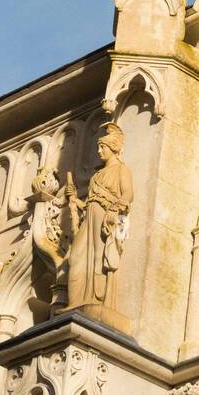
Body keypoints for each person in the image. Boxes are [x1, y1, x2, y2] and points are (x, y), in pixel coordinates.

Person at [65, 122, 133, 316]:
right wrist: (75, 200)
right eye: (98, 147)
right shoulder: (97, 175)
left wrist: (115, 210)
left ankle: (96, 300)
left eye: (102, 147)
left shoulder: (121, 170)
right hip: (90, 216)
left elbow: (128, 194)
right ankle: (77, 301)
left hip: (106, 217)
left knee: (99, 257)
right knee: (77, 255)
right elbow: (89, 203)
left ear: (113, 149)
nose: (99, 151)